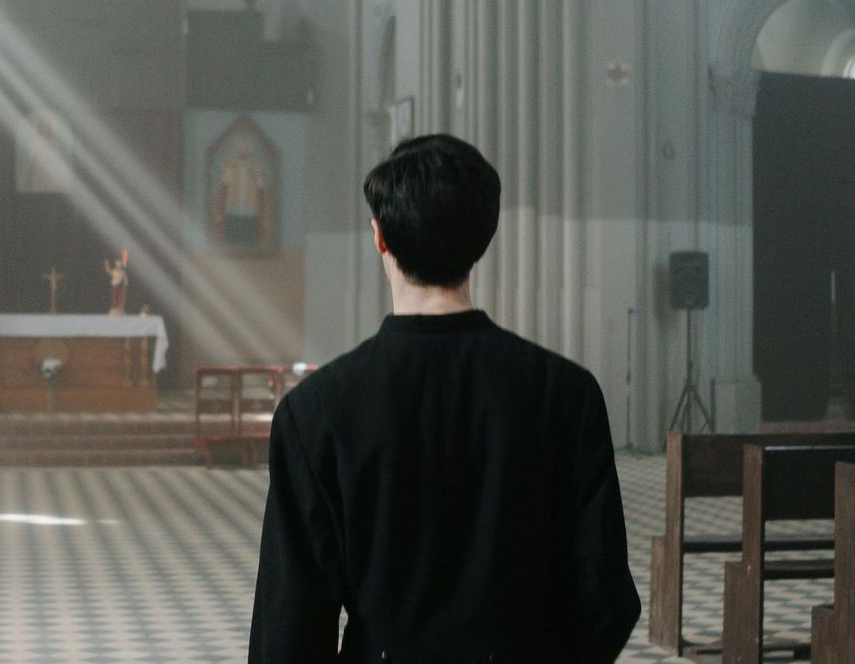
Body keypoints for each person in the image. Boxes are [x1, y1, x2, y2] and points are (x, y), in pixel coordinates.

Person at [249, 134, 639, 662]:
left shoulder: (317, 411)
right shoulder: (566, 395)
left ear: (380, 237)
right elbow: (607, 598)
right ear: (484, 236)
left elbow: (289, 627)